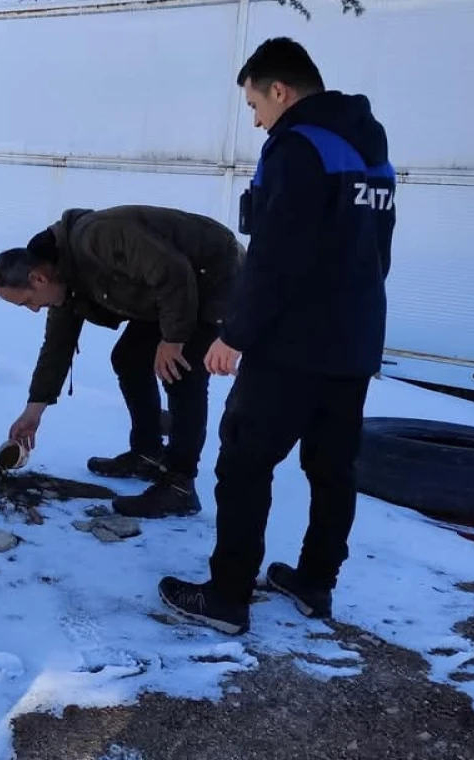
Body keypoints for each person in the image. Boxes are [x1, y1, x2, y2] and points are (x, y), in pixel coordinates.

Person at [159, 37, 397, 634]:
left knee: (243, 464)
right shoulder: (370, 147)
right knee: (332, 467)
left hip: (292, 346)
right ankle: (315, 582)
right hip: (354, 339)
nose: (256, 119)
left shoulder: (295, 147)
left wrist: (235, 334)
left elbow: (274, 255)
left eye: (254, 104)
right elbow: (378, 252)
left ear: (279, 90)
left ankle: (227, 597)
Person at [0, 205, 244, 518]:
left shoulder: (98, 237)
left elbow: (173, 270)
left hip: (211, 276)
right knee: (129, 358)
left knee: (180, 371)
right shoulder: (63, 279)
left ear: (38, 278)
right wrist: (34, 408)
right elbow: (57, 346)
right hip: (167, 293)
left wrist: (173, 339)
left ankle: (179, 486)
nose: (33, 309)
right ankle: (147, 453)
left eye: (27, 301)